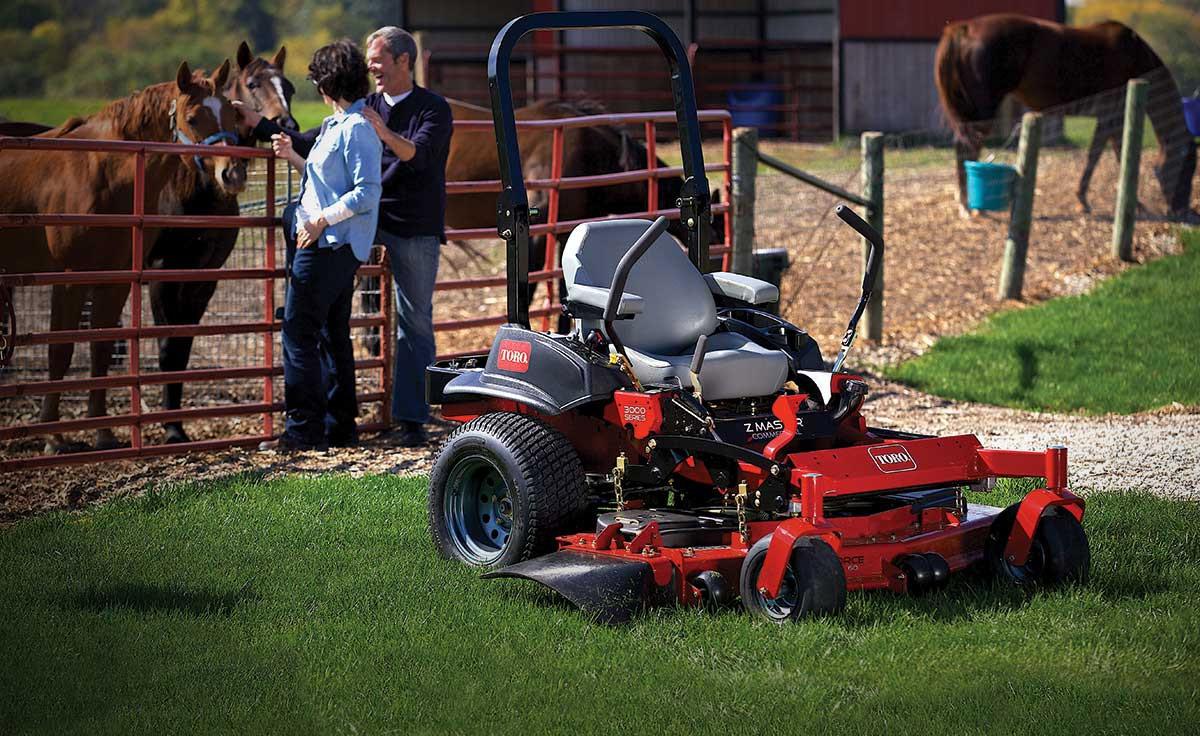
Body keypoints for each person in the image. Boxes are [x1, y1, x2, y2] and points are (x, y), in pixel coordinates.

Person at [258, 40, 382, 452]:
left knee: (298, 332)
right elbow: (324, 184)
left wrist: (319, 220)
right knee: (331, 332)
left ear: (327, 83)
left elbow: (367, 193)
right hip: (326, 240)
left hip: (328, 243)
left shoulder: (358, 129)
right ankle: (338, 427)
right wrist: (295, 156)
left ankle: (303, 429)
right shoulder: (336, 125)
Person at [361, 26, 453, 447]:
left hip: (415, 226)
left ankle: (412, 419)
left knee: (414, 321)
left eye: (378, 60)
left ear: (403, 61)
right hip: (368, 221)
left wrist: (381, 131)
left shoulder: (433, 108)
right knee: (323, 299)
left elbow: (419, 155)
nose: (372, 68)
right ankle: (335, 412)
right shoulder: (366, 106)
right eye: (369, 61)